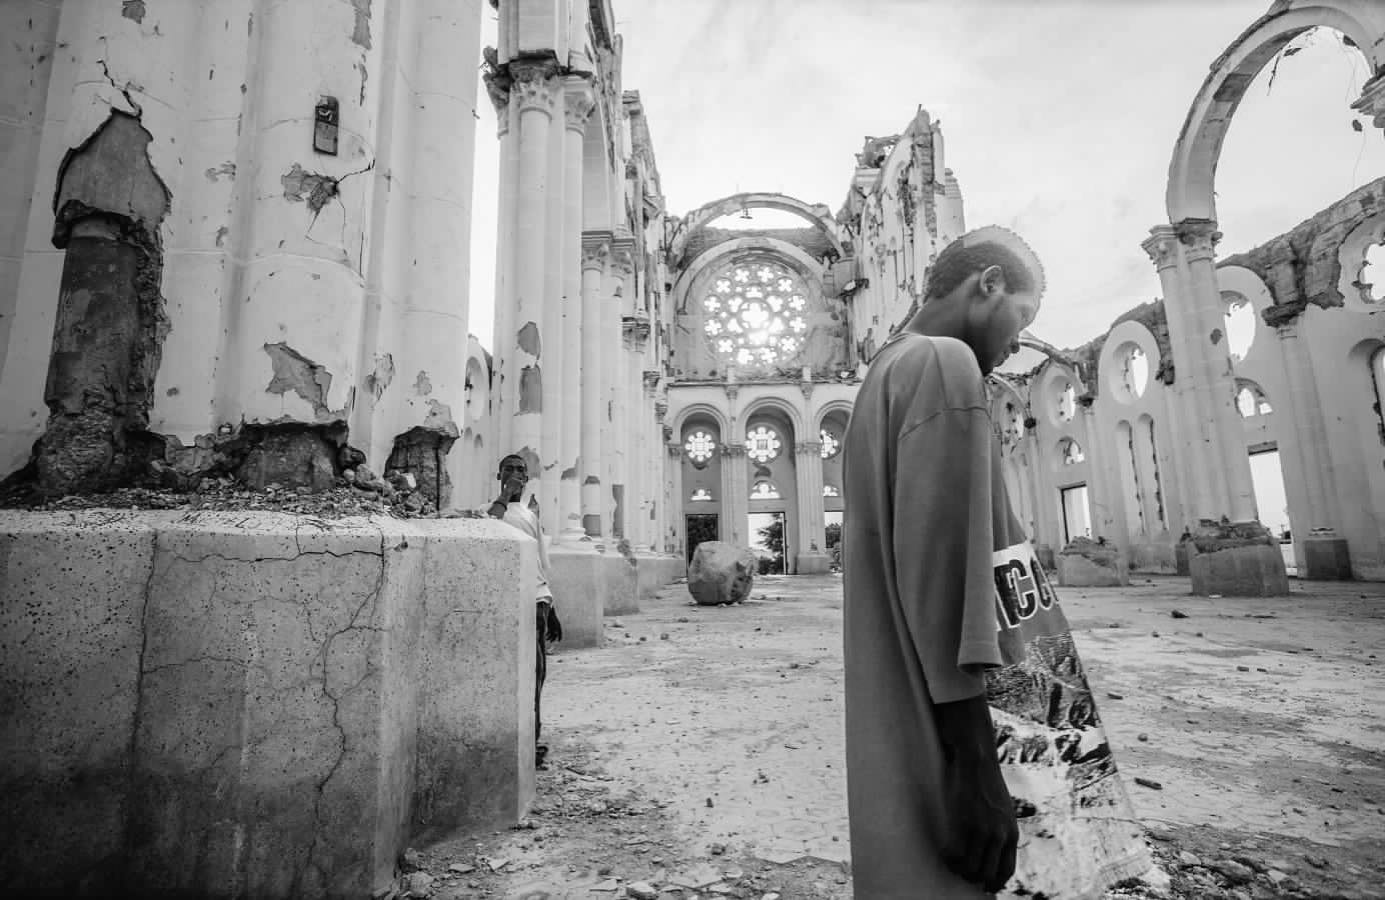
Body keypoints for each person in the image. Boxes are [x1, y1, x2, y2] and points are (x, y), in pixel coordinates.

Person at [841, 226, 1044, 897]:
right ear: (986, 284)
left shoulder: (887, 371)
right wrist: (976, 767)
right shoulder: (942, 364)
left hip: (902, 718)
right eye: (1022, 315)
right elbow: (944, 574)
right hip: (960, 727)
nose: (1017, 343)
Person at [447, 453, 562, 769]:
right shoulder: (486, 511)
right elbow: (488, 534)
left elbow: (539, 563)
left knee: (536, 674)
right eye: (509, 469)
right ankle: (511, 741)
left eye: (521, 470)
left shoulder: (530, 515)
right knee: (509, 676)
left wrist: (551, 607)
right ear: (498, 474)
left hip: (536, 604)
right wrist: (504, 496)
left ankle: (531, 741)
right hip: (504, 604)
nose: (515, 473)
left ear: (527, 479)